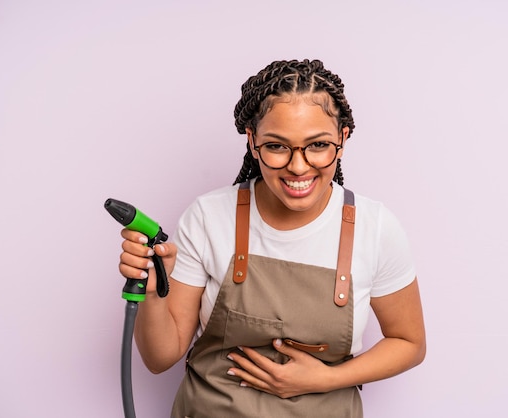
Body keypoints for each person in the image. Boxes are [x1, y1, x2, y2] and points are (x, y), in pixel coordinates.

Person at [118, 59, 426, 418]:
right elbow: (159, 359)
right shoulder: (208, 217)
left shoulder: (376, 228)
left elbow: (409, 343)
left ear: (342, 139)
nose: (298, 166)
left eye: (318, 145)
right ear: (252, 141)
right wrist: (154, 292)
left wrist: (325, 379)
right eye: (277, 146)